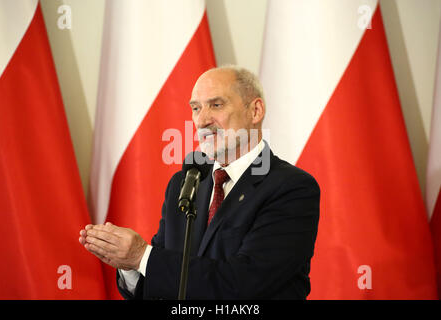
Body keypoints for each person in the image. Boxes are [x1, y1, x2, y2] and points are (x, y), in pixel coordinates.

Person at [79, 66, 320, 299]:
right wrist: (130, 266)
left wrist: (142, 257)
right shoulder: (186, 182)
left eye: (216, 105)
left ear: (255, 111)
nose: (202, 120)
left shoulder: (292, 188)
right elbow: (162, 284)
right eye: (195, 108)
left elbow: (245, 284)